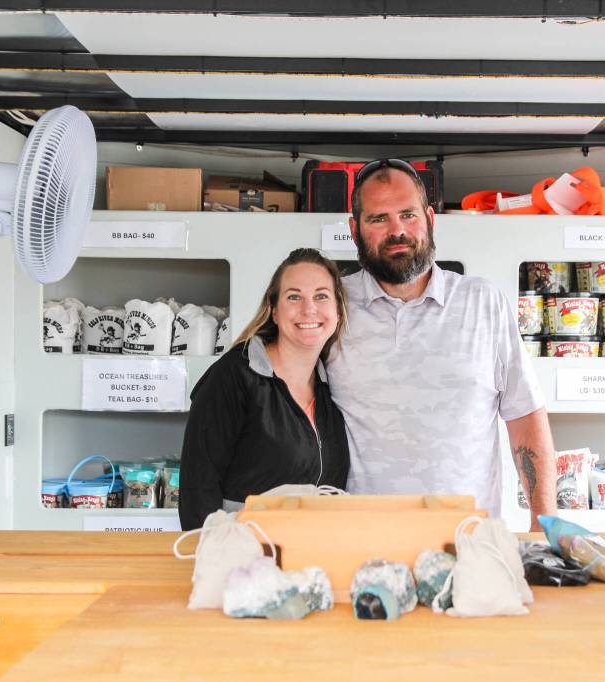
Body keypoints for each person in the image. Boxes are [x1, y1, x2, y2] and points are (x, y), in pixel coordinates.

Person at [326, 159, 557, 529]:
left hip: (468, 545)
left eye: (407, 214)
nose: (397, 230)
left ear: (430, 219)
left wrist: (543, 522)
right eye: (378, 219)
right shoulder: (330, 306)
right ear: (354, 230)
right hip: (359, 544)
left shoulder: (483, 302)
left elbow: (525, 416)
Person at [178, 248, 350, 531]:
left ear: (338, 311)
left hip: (308, 562)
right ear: (274, 310)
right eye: (294, 296)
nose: (309, 309)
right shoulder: (234, 377)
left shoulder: (330, 387)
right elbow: (198, 490)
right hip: (244, 561)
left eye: (321, 296)